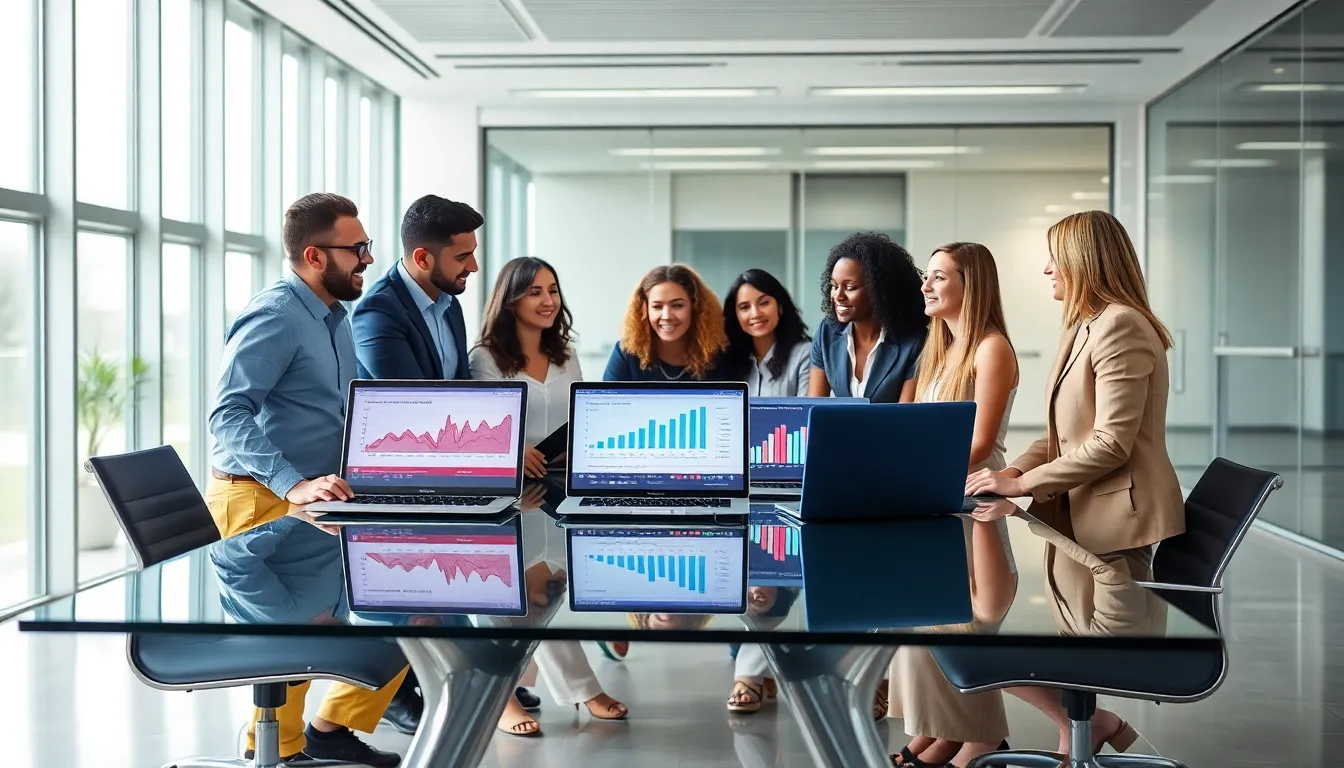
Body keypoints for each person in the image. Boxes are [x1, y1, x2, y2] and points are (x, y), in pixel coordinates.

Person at [966, 210, 1184, 759]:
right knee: (971, 635)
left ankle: (1089, 726)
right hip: (1084, 528)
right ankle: (1083, 729)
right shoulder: (1084, 326)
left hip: (1110, 534)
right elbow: (1062, 436)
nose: (1046, 270)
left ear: (1084, 261)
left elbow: (1110, 442)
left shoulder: (1121, 326)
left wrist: (1021, 491)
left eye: (1054, 258)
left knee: (970, 645)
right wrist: (1013, 472)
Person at [206, 193, 402, 768]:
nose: (368, 258)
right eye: (357, 248)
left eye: (368, 246)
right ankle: (270, 753)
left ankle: (307, 742)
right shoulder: (276, 315)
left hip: (316, 497)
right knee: (290, 649)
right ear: (315, 255)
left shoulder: (334, 318)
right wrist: (293, 483)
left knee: (345, 620)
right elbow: (228, 414)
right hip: (260, 497)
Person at [468, 257, 630, 736]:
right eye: (535, 291)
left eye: (553, 290)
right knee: (506, 602)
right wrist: (514, 450)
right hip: (508, 496)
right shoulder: (486, 358)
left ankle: (531, 689)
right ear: (510, 298)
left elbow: (580, 411)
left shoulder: (566, 354)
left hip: (558, 491)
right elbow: (481, 423)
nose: (547, 300)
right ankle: (505, 697)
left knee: (549, 597)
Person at [889, 242, 1019, 768]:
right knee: (920, 618)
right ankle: (944, 731)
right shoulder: (940, 349)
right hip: (938, 495)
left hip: (969, 496)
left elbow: (981, 443)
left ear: (973, 285)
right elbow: (911, 425)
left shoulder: (992, 349)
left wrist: (914, 473)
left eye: (939, 276)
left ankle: (978, 736)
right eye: (929, 276)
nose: (926, 285)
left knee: (960, 621)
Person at [351, 194, 478, 381]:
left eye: (473, 253)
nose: (474, 266)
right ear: (422, 259)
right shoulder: (377, 312)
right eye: (462, 257)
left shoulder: (450, 304)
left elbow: (462, 386)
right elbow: (412, 401)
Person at [807, 232, 928, 402]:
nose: (838, 296)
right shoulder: (827, 331)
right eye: (834, 286)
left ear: (880, 290)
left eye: (850, 287)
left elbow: (904, 417)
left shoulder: (914, 342)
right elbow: (813, 406)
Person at [603, 264, 728, 382]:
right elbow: (606, 403)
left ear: (696, 307)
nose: (667, 316)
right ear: (644, 310)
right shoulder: (627, 353)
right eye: (657, 307)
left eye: (677, 305)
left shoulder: (720, 355)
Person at [721, 268, 811, 396]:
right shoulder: (729, 361)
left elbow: (805, 413)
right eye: (745, 307)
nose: (756, 314)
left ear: (780, 307)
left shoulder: (805, 355)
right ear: (736, 316)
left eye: (764, 303)